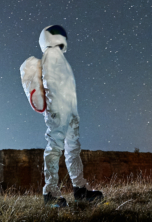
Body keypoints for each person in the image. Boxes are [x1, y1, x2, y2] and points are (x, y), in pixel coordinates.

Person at [37, 24, 104, 207]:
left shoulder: (59, 58)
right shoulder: (50, 55)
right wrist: (55, 107)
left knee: (72, 149)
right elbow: (49, 83)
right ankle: (50, 192)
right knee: (55, 147)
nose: (61, 37)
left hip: (69, 110)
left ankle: (80, 189)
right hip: (58, 109)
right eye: (57, 34)